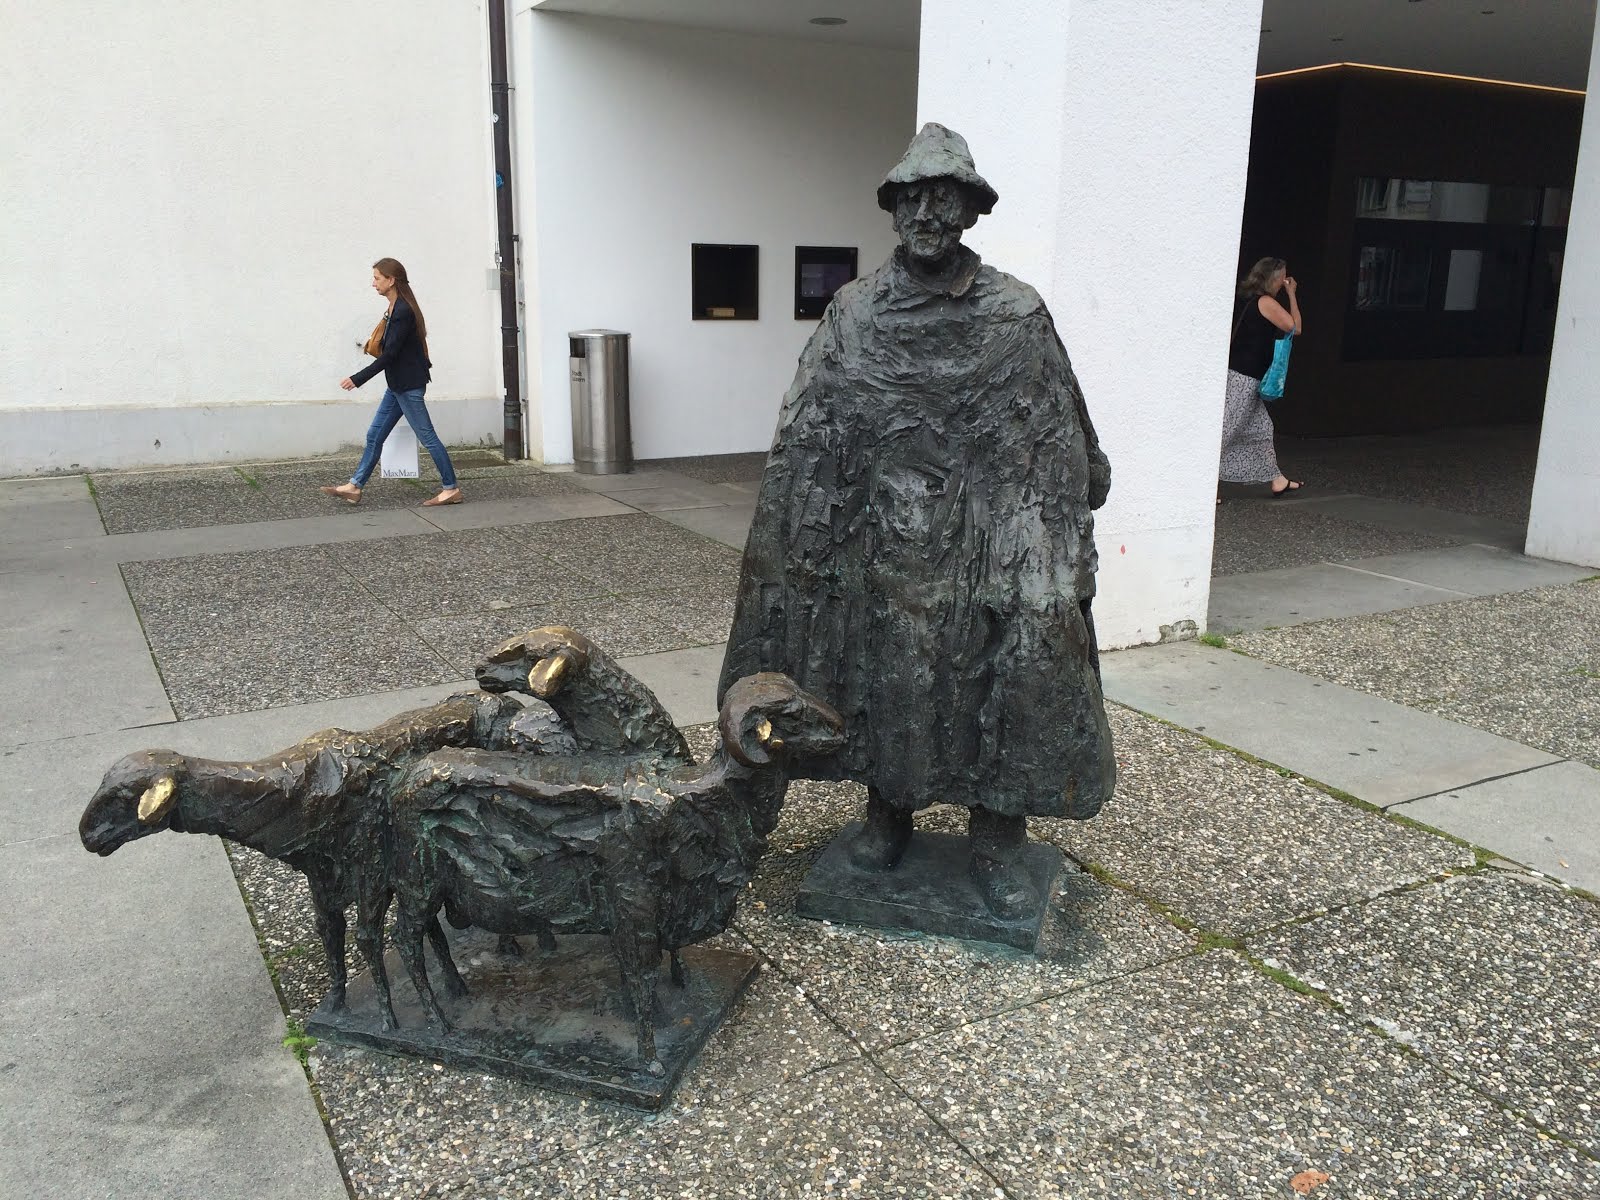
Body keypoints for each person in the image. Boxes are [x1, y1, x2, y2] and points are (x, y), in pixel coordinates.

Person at [718, 123, 1116, 920]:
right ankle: (885, 816)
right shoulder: (856, 314)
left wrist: (1058, 514)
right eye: (914, 197)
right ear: (894, 208)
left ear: (970, 210)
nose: (929, 213)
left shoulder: (1014, 313)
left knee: (1006, 672)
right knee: (883, 677)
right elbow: (811, 427)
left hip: (991, 541)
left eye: (946, 197)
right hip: (886, 539)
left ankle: (999, 836)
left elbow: (1062, 427)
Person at [321, 258, 462, 507]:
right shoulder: (395, 307)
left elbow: (390, 355)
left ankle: (450, 488)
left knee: (428, 437)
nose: (373, 283)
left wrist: (358, 378)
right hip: (398, 385)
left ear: (391, 280)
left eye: (377, 278)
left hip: (408, 387)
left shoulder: (403, 312)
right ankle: (355, 486)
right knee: (375, 435)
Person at [1221, 256, 1303, 497]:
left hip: (1242, 374)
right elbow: (1295, 327)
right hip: (1244, 377)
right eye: (1283, 278)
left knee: (1261, 430)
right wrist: (1292, 294)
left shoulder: (1246, 299)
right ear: (1274, 279)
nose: (1285, 282)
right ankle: (1204, 486)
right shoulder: (1266, 302)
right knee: (1226, 430)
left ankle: (1277, 479)